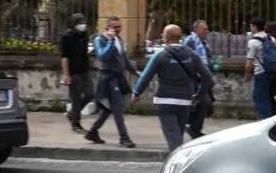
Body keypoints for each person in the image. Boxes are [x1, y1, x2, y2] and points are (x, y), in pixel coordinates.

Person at [131, 24, 213, 152]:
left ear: (166, 38)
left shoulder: (160, 56)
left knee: (174, 140)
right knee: (177, 137)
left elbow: (146, 77)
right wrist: (198, 95)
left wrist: (136, 93)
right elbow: (208, 78)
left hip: (164, 102)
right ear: (180, 37)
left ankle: (177, 166)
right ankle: (178, 164)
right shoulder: (192, 54)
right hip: (185, 102)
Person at [84, 16, 137, 148]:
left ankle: (92, 131)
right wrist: (110, 42)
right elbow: (103, 56)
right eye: (115, 27)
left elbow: (123, 58)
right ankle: (124, 137)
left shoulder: (119, 39)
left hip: (119, 76)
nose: (118, 30)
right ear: (108, 27)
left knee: (108, 108)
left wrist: (135, 71)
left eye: (120, 27)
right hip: (108, 77)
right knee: (117, 107)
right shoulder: (99, 39)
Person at [243, 17, 276, 119]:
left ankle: (265, 120)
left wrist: (248, 74)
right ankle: (275, 119)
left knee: (259, 97)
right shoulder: (271, 38)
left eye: (251, 26)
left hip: (261, 73)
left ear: (255, 27)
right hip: (273, 72)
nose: (251, 28)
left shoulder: (253, 42)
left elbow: (249, 62)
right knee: (270, 96)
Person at [59, 13, 94, 133]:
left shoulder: (84, 35)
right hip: (73, 72)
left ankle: (72, 113)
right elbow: (64, 57)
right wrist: (66, 74)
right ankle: (76, 124)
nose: (83, 25)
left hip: (84, 70)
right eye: (80, 23)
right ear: (74, 24)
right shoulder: (66, 37)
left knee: (90, 94)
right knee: (76, 98)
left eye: (84, 23)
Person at [182, 20, 213, 139]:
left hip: (203, 78)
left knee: (205, 103)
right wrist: (196, 72)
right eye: (204, 29)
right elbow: (186, 59)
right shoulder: (190, 42)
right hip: (194, 79)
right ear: (196, 30)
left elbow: (206, 59)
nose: (207, 31)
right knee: (203, 102)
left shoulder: (203, 43)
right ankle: (193, 128)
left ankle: (194, 128)